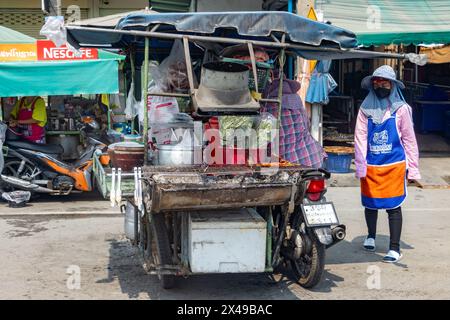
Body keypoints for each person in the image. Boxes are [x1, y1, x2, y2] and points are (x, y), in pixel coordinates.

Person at [354, 65, 420, 263]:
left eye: (384, 81)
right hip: (371, 165)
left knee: (394, 207)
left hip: (394, 166)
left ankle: (394, 248)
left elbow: (409, 140)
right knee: (370, 203)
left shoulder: (402, 109)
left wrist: (413, 170)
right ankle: (371, 236)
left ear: (392, 85)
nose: (380, 84)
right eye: (377, 81)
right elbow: (360, 138)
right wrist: (360, 165)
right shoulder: (365, 109)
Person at [261, 76, 325, 168]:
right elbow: (307, 127)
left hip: (293, 162)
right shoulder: (298, 103)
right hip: (314, 155)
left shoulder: (270, 108)